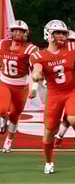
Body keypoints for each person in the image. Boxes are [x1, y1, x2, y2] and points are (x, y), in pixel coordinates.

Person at [30, 20, 75, 174]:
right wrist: (36, 74)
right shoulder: (39, 55)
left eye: (63, 33)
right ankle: (48, 162)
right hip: (53, 94)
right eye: (57, 33)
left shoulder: (72, 48)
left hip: (71, 90)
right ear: (49, 34)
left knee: (74, 119)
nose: (61, 36)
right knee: (49, 132)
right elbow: (37, 68)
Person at [0, 20, 38, 153]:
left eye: (20, 31)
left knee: (15, 116)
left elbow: (35, 70)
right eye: (15, 30)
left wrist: (34, 88)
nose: (17, 33)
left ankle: (9, 140)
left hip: (21, 86)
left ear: (25, 33)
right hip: (4, 82)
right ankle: (2, 120)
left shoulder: (30, 49)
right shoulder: (3, 44)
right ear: (11, 32)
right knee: (2, 108)